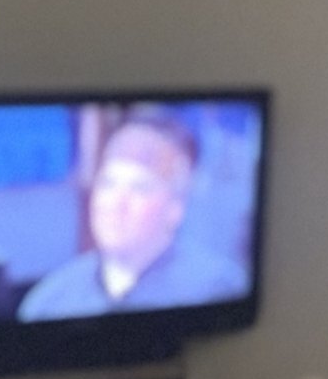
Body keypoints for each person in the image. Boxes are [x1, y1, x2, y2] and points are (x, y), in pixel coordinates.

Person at [17, 111, 245, 320]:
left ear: (175, 208)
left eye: (139, 188)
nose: (116, 204)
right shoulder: (49, 302)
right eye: (108, 184)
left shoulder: (217, 290)